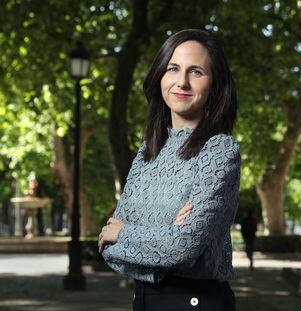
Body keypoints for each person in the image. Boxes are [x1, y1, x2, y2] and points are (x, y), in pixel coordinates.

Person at [98, 29, 241, 311]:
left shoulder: (219, 150)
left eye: (196, 72)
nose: (182, 82)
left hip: (195, 302)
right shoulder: (147, 151)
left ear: (214, 85)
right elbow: (108, 248)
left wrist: (126, 232)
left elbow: (182, 248)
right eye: (173, 69)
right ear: (160, 76)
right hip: (144, 300)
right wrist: (167, 232)